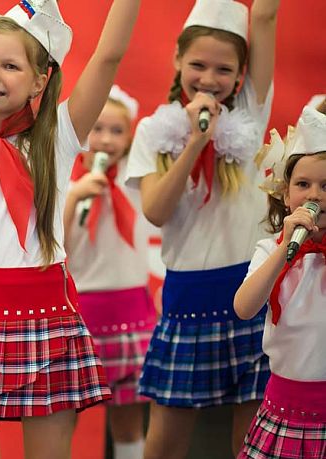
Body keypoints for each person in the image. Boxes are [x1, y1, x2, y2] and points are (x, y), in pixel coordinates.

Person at [0, 0, 141, 457]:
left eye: (10, 65)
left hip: (44, 315)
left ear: (40, 80)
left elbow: (108, 57)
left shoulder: (57, 135)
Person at [124, 0, 281, 457]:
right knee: (164, 447)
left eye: (224, 69)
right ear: (177, 59)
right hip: (188, 304)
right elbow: (156, 211)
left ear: (241, 74)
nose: (209, 79)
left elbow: (265, 16)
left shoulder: (250, 114)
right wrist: (196, 141)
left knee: (250, 447)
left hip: (251, 299)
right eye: (198, 65)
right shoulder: (154, 130)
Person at [63, 86, 156, 459]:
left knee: (128, 422)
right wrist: (75, 197)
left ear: (130, 137)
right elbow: (54, 248)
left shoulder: (137, 183)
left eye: (117, 131)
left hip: (130, 315)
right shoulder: (65, 187)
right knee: (62, 418)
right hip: (79, 315)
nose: (105, 140)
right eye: (97, 129)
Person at [234, 105, 326, 459]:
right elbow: (244, 308)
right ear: (286, 196)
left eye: (325, 186)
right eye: (303, 184)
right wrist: (285, 248)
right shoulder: (270, 249)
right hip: (285, 409)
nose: (314, 195)